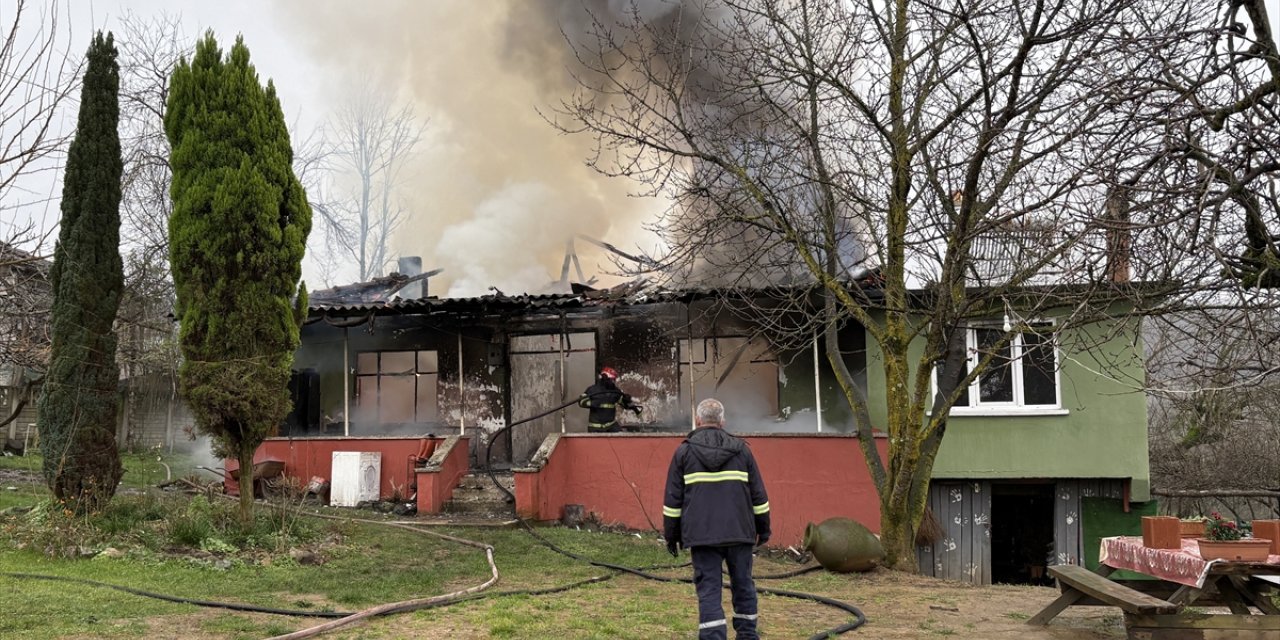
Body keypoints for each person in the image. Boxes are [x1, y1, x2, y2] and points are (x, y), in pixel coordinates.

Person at [663, 398, 770, 640]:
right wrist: (763, 530)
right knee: (743, 584)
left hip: (701, 536)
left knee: (709, 589)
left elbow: (672, 501)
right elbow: (759, 496)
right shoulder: (742, 450)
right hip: (739, 533)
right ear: (722, 421)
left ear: (698, 420)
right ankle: (747, 635)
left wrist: (672, 536)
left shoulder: (684, 452)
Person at [577, 366, 641, 432]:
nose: (613, 382)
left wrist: (626, 400)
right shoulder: (592, 390)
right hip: (595, 427)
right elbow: (581, 402)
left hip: (611, 425)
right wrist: (592, 403)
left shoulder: (615, 391)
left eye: (614, 380)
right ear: (605, 378)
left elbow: (624, 405)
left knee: (621, 437)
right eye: (611, 380)